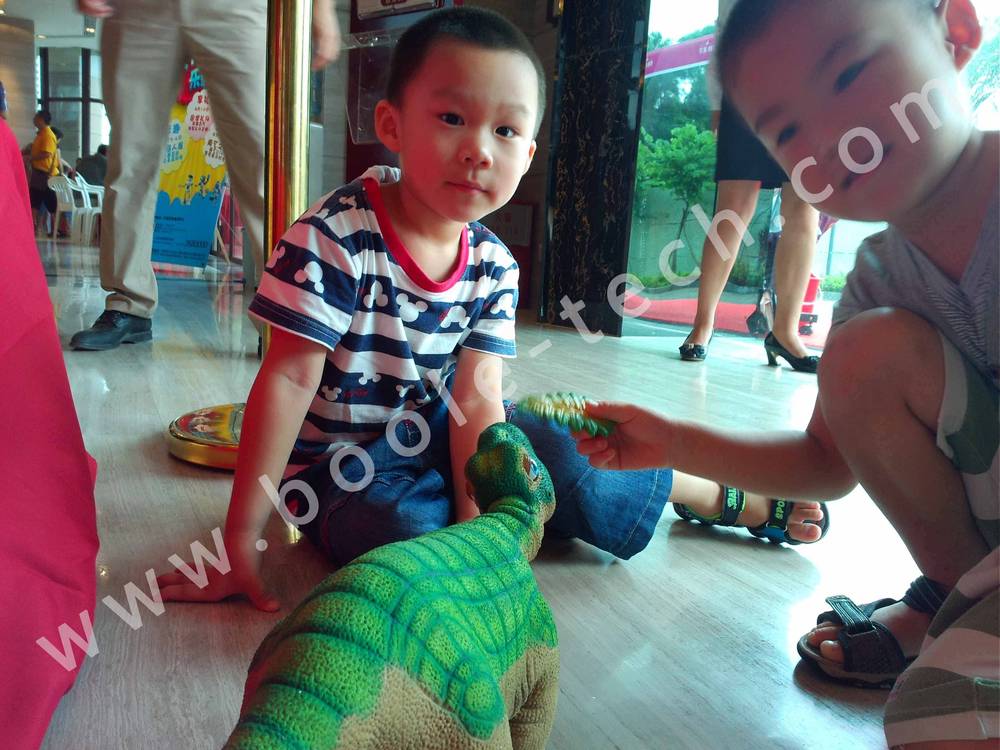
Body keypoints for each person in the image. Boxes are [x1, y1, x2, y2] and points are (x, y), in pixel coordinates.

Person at [155, 7, 828, 616]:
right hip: (344, 473)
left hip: (441, 436)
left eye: (506, 130)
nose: (480, 149)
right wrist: (240, 537)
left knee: (559, 443)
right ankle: (519, 515)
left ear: (527, 154)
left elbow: (475, 403)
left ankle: (710, 495)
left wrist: (476, 527)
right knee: (401, 531)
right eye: (452, 118)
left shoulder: (493, 265)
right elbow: (288, 379)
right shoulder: (333, 237)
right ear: (392, 125)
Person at [575, 1, 997, 747]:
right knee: (935, 721)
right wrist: (674, 443)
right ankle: (961, 590)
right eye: (788, 131)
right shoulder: (879, 280)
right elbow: (826, 464)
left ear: (956, 32)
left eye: (850, 73)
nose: (829, 138)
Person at [68, 0, 342, 351]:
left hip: (235, 7)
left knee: (264, 160)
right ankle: (128, 303)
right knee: (130, 160)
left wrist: (321, 8)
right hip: (137, 9)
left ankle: (287, 314)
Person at [679, 0, 821, 373]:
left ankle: (785, 332)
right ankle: (702, 325)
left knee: (804, 206)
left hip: (815, 88)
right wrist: (717, 102)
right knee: (732, 209)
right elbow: (726, 28)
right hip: (747, 86)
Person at [23, 110, 60, 235]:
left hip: (45, 174)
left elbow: (47, 154)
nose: (33, 119)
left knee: (49, 203)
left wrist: (30, 158)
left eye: (35, 117)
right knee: (35, 200)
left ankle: (57, 229)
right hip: (39, 173)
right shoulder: (41, 134)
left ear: (41, 119)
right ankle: (32, 227)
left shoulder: (47, 135)